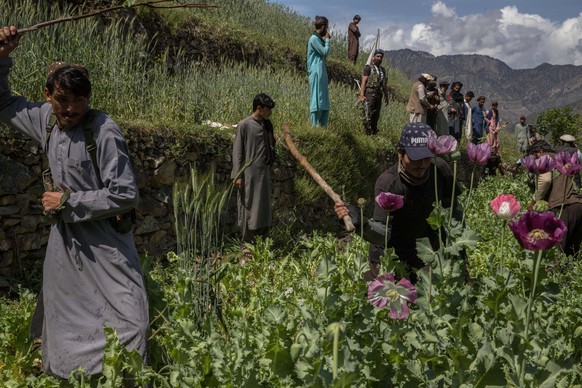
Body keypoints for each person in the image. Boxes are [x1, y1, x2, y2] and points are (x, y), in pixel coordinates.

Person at [0, 26, 148, 378]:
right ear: (47, 95)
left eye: (78, 102)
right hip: (65, 246)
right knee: (65, 320)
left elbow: (126, 193)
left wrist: (67, 201)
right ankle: (69, 377)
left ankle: (125, 379)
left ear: (88, 98)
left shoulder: (103, 130)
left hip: (106, 241)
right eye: (62, 100)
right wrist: (3, 56)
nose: (70, 110)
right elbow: (3, 103)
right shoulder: (45, 121)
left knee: (133, 322)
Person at [334, 123, 461, 281]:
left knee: (431, 298)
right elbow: (383, 233)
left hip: (426, 252)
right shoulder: (388, 183)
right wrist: (362, 223)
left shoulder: (440, 171)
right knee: (381, 302)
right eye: (415, 158)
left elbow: (454, 214)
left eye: (426, 157)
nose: (422, 164)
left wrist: (460, 254)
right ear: (400, 152)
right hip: (390, 257)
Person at [231, 93, 276, 252]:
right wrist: (237, 175)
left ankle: (263, 241)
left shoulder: (266, 125)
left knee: (263, 208)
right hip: (248, 174)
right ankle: (247, 244)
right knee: (248, 207)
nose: (270, 112)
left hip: (263, 173)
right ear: (259, 108)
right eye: (268, 109)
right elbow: (237, 152)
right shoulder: (244, 125)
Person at [527, 140, 582, 256]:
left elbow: (546, 179)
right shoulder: (560, 158)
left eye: (534, 157)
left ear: (540, 152)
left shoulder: (546, 158)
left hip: (562, 207)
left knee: (556, 252)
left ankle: (554, 273)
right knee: (572, 253)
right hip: (578, 205)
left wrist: (535, 202)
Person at [307, 15, 331, 127]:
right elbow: (324, 52)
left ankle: (322, 125)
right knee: (317, 98)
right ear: (322, 27)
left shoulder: (317, 39)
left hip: (321, 72)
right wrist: (327, 41)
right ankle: (315, 125)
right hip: (316, 72)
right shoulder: (314, 39)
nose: (326, 30)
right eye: (326, 27)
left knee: (323, 98)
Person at [359, 49, 389, 135]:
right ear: (374, 57)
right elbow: (363, 82)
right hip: (370, 93)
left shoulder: (382, 70)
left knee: (376, 114)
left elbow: (384, 85)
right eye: (377, 56)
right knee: (369, 112)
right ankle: (366, 131)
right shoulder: (368, 68)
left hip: (379, 94)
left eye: (381, 57)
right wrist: (361, 94)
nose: (379, 58)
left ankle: (374, 131)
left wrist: (386, 96)